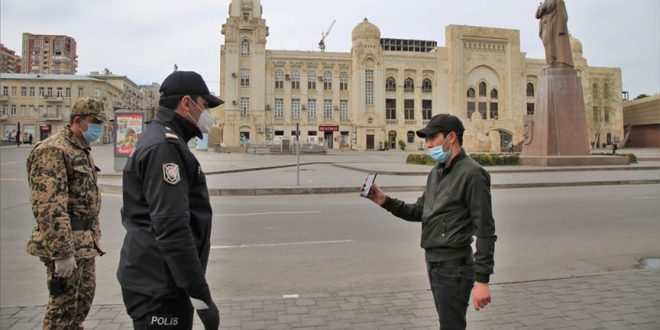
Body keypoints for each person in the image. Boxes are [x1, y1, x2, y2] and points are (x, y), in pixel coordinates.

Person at [363, 114, 497, 330]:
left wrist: (482, 280)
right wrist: (383, 200)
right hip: (434, 264)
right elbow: (419, 211)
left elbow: (485, 230)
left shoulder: (473, 174)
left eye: (432, 138)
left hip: (454, 268)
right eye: (426, 139)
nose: (428, 144)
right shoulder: (436, 172)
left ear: (451, 137)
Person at [118, 71, 223, 330]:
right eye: (205, 105)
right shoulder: (165, 147)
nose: (208, 114)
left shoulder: (164, 138)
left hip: (159, 280)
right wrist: (202, 297)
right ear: (187, 103)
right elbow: (172, 230)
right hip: (160, 288)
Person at [26, 97, 106, 329]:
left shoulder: (80, 149)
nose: (99, 127)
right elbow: (49, 206)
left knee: (81, 304)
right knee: (62, 311)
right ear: (79, 121)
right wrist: (62, 253)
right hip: (67, 245)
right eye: (95, 122)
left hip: (85, 244)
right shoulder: (53, 150)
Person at [536, 0, 574, 68]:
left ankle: (553, 62)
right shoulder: (545, 3)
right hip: (545, 26)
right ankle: (550, 62)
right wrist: (540, 8)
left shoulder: (559, 1)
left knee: (552, 44)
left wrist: (561, 29)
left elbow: (563, 16)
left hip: (554, 26)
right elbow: (537, 15)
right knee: (547, 44)